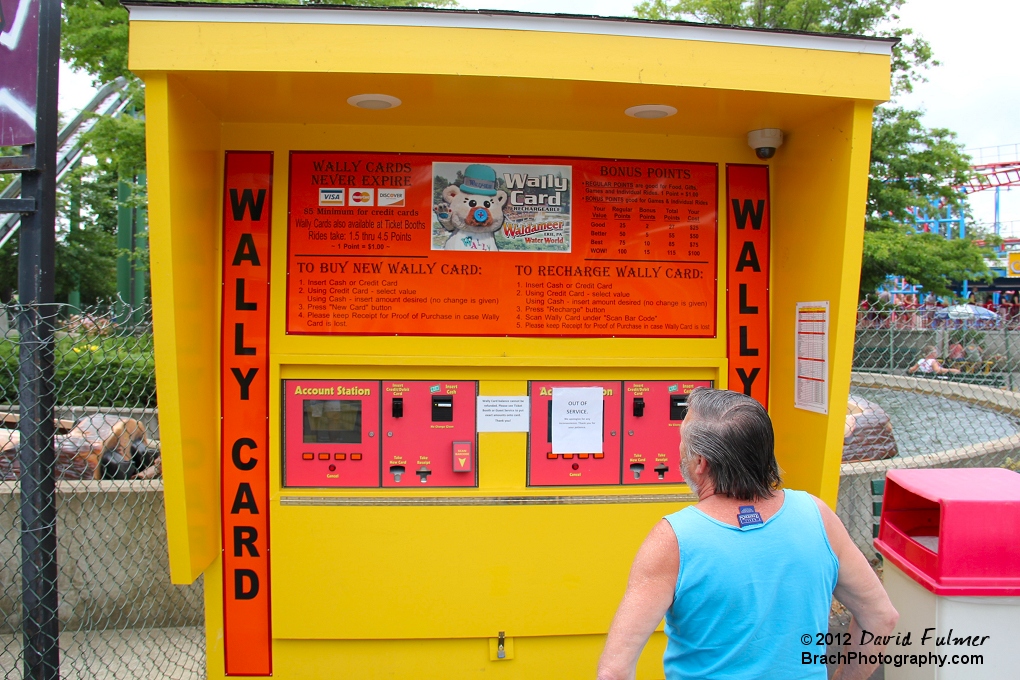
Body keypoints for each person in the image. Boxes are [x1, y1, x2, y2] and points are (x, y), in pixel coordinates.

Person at [597, 389, 898, 680]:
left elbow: (614, 671)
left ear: (700, 463)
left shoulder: (674, 539)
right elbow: (881, 617)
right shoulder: (817, 515)